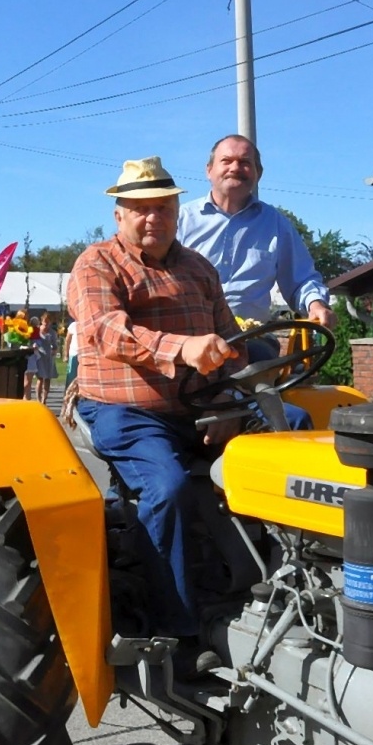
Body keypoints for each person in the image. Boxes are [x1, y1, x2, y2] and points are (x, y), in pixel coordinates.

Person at [69, 156, 245, 656]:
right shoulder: (96, 263)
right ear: (119, 214)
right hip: (126, 411)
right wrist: (180, 347)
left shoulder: (198, 268)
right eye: (140, 208)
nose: (153, 218)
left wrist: (232, 400)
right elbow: (106, 331)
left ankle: (279, 581)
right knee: (166, 487)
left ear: (176, 211)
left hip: (200, 407)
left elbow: (233, 342)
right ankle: (177, 629)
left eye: (163, 208)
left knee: (294, 433)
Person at [177, 135, 335, 331]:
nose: (235, 168)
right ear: (209, 170)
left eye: (244, 162)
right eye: (226, 161)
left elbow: (301, 279)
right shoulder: (179, 220)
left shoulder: (276, 224)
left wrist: (316, 304)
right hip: (189, 337)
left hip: (252, 340)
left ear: (258, 173)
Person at [25, 314, 58, 403]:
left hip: (49, 357)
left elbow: (55, 345)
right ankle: (38, 399)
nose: (46, 324)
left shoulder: (52, 333)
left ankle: (44, 399)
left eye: (48, 322)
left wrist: (54, 350)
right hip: (39, 356)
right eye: (44, 322)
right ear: (41, 322)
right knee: (40, 378)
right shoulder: (37, 331)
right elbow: (32, 342)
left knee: (48, 379)